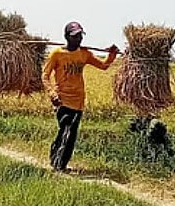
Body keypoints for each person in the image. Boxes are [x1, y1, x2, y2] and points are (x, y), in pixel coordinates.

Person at [41, 21, 118, 172]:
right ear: (67, 37)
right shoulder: (57, 54)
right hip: (62, 100)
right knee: (67, 130)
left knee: (70, 133)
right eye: (75, 36)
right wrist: (51, 93)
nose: (79, 39)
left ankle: (57, 161)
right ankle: (59, 164)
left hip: (79, 101)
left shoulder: (84, 54)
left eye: (80, 36)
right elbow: (45, 75)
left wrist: (111, 55)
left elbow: (103, 66)